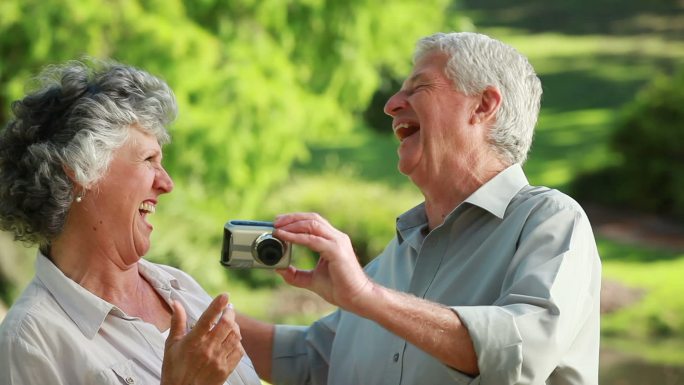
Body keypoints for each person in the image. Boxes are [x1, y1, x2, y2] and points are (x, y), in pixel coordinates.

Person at [237, 32, 602, 385]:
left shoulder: (551, 220)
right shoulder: (398, 252)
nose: (391, 104)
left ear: (483, 105)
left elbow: (521, 352)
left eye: (419, 88)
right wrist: (183, 307)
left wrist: (368, 296)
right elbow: (314, 359)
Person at [0, 59, 261, 385]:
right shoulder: (30, 342)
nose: (167, 183)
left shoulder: (179, 287)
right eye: (149, 159)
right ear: (79, 170)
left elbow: (301, 356)